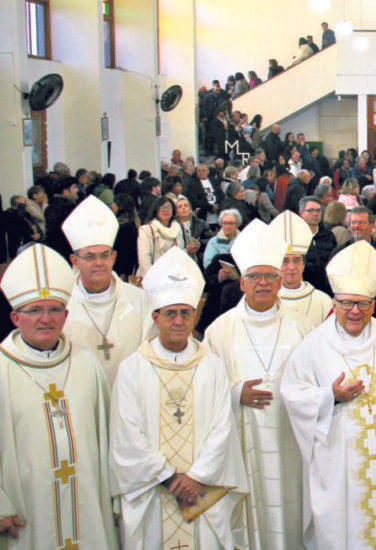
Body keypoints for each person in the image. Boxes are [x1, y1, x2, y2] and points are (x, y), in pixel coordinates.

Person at [109, 247, 249, 549]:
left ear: (195, 316)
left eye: (185, 313)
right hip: (151, 492)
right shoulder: (133, 368)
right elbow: (126, 433)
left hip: (202, 493)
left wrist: (196, 477)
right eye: (170, 313)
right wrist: (170, 478)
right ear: (156, 317)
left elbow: (222, 428)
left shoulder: (211, 365)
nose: (178, 321)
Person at [281, 241, 376, 549]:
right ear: (335, 304)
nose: (355, 311)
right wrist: (331, 396)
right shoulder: (314, 344)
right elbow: (293, 394)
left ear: (374, 306)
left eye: (363, 304)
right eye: (347, 304)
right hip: (337, 459)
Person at [0, 243, 118, 549]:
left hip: (87, 499)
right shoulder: (2, 367)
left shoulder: (85, 362)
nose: (46, 319)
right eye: (35, 310)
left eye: (54, 309)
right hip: (27, 509)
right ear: (16, 318)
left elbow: (108, 435)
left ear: (66, 315)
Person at [204, 221, 307, 549]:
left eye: (269, 276)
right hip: (241, 443)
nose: (262, 283)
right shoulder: (219, 331)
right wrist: (235, 394)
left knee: (291, 511)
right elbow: (203, 390)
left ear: (280, 281)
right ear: (242, 281)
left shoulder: (303, 328)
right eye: (254, 276)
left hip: (290, 439)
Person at [58, 196, 151, 386]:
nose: (99, 263)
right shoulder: (62, 305)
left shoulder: (139, 299)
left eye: (104, 255)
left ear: (114, 257)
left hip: (131, 395)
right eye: (90, 257)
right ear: (75, 261)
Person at [269, 210, 333, 332]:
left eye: (296, 260)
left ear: (303, 265)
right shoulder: (266, 299)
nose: (291, 267)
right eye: (285, 261)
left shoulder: (323, 301)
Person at [137, 195, 186, 277]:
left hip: (174, 276)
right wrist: (152, 279)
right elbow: (144, 259)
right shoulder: (147, 230)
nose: (165, 210)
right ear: (156, 210)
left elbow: (181, 252)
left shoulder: (177, 228)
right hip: (153, 276)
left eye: (169, 207)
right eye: (162, 207)